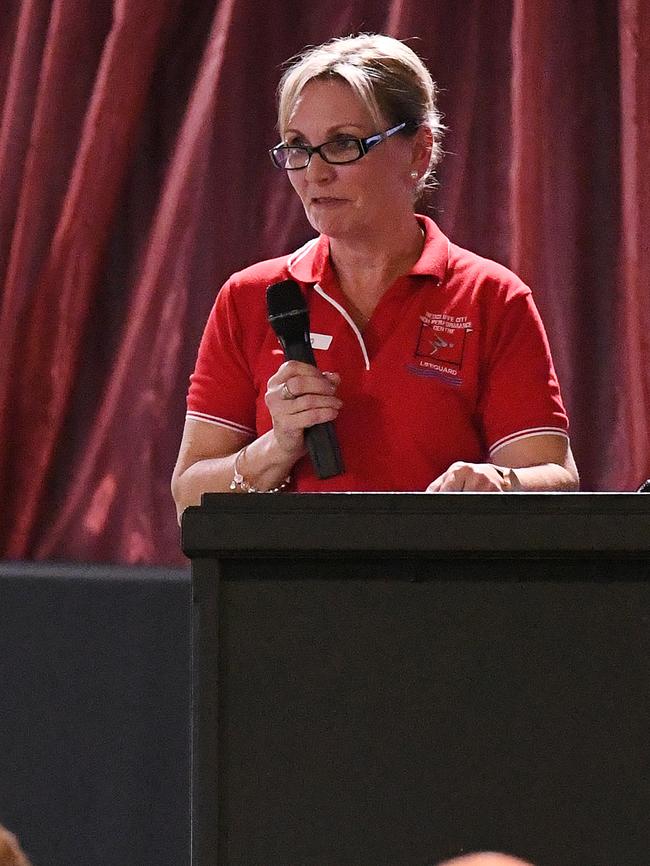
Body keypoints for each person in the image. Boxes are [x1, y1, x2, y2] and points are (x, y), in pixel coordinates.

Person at [172, 33, 578, 515]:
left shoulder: (491, 297)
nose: (314, 174)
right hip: (291, 586)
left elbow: (555, 475)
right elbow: (188, 499)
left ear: (418, 152)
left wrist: (500, 482)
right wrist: (274, 450)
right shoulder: (251, 296)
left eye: (343, 144)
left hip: (441, 584)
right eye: (298, 147)